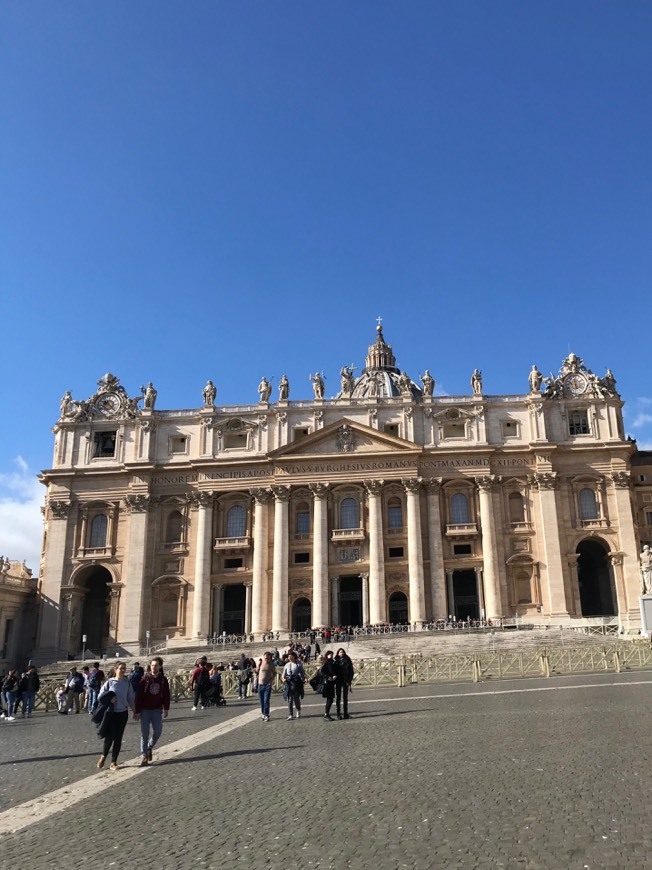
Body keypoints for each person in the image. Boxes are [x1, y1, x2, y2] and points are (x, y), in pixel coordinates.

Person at [95, 663, 135, 771]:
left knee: (118, 737)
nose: (122, 670)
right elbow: (100, 696)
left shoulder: (127, 683)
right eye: (121, 668)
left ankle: (113, 762)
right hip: (111, 713)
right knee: (110, 736)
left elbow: (131, 698)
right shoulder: (109, 682)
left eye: (124, 669)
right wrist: (109, 699)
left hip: (123, 713)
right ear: (115, 669)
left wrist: (135, 712)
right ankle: (103, 756)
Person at [134, 657, 170, 767]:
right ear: (150, 666)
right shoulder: (145, 679)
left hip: (156, 710)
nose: (154, 667)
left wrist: (166, 708)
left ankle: (149, 747)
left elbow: (166, 695)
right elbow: (138, 696)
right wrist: (137, 711)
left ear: (160, 666)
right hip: (145, 710)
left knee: (158, 732)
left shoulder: (163, 680)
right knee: (144, 734)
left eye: (156, 665)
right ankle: (144, 755)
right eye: (152, 665)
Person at [282, 651, 305, 720]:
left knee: (296, 699)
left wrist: (304, 678)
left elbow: (302, 672)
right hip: (288, 683)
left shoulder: (298, 664)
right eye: (288, 655)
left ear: (294, 656)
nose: (289, 657)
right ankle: (290, 714)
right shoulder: (286, 665)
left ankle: (298, 710)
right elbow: (283, 674)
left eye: (290, 655)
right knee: (290, 699)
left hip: (296, 683)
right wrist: (283, 679)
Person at [334, 648, 354, 720]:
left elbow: (351, 671)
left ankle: (345, 713)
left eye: (342, 652)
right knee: (338, 698)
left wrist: (349, 680)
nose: (341, 653)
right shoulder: (335, 661)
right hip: (338, 681)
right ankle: (338, 714)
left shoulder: (347, 660)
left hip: (345, 681)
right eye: (340, 652)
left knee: (345, 698)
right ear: (338, 653)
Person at [257, 651, 276, 722]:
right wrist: (257, 666)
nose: (267, 660)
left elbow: (275, 673)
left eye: (268, 658)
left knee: (266, 700)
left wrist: (270, 681)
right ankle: (263, 714)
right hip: (260, 684)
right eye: (265, 658)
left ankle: (267, 714)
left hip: (267, 685)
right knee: (261, 701)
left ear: (270, 658)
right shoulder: (261, 663)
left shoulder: (271, 664)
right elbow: (256, 672)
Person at [319, 650, 338, 721]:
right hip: (327, 683)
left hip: (331, 683)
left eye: (332, 655)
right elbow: (322, 671)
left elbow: (334, 671)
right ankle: (326, 714)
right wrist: (328, 677)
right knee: (329, 699)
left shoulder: (332, 662)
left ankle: (327, 714)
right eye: (330, 655)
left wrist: (335, 675)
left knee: (330, 699)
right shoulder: (327, 662)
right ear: (327, 655)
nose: (331, 656)